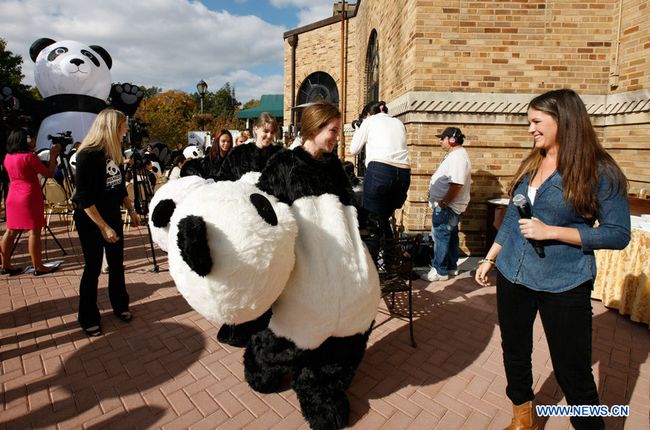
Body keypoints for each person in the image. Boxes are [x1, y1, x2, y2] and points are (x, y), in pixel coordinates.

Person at [475, 89, 630, 430]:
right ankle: (523, 419)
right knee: (514, 351)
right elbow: (516, 217)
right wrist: (491, 257)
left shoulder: (601, 172)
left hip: (564, 281)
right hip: (513, 274)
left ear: (564, 120)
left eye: (536, 121)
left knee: (571, 369)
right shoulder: (533, 161)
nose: (530, 129)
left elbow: (619, 233)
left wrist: (554, 232)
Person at [71, 109, 141, 337]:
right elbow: (84, 198)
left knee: (117, 264)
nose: (126, 130)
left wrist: (131, 210)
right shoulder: (87, 155)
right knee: (92, 269)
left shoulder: (115, 152)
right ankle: (88, 317)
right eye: (123, 126)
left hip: (112, 216)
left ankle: (120, 305)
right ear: (112, 127)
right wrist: (104, 227)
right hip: (90, 219)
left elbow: (119, 186)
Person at [350, 100, 411, 260]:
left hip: (380, 172)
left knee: (372, 224)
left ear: (368, 114)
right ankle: (391, 263)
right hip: (403, 175)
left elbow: (353, 150)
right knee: (384, 219)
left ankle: (373, 269)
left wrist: (359, 127)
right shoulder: (398, 122)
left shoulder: (369, 121)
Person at [1, 128, 61, 276]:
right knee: (34, 232)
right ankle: (38, 266)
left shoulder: (8, 157)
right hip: (29, 196)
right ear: (25, 140)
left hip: (13, 195)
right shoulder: (29, 157)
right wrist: (53, 155)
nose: (34, 141)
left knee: (10, 231)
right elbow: (49, 173)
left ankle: (6, 264)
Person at [421, 127, 471, 281]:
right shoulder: (457, 156)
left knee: (441, 236)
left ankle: (439, 271)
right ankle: (450, 266)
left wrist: (444, 202)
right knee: (451, 236)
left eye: (442, 138)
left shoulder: (457, 157)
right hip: (450, 206)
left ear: (452, 140)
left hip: (448, 207)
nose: (440, 141)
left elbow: (456, 184)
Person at [216, 113, 282, 182]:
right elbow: (222, 180)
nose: (269, 135)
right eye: (266, 131)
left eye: (272, 132)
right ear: (256, 129)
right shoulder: (238, 153)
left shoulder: (279, 155)